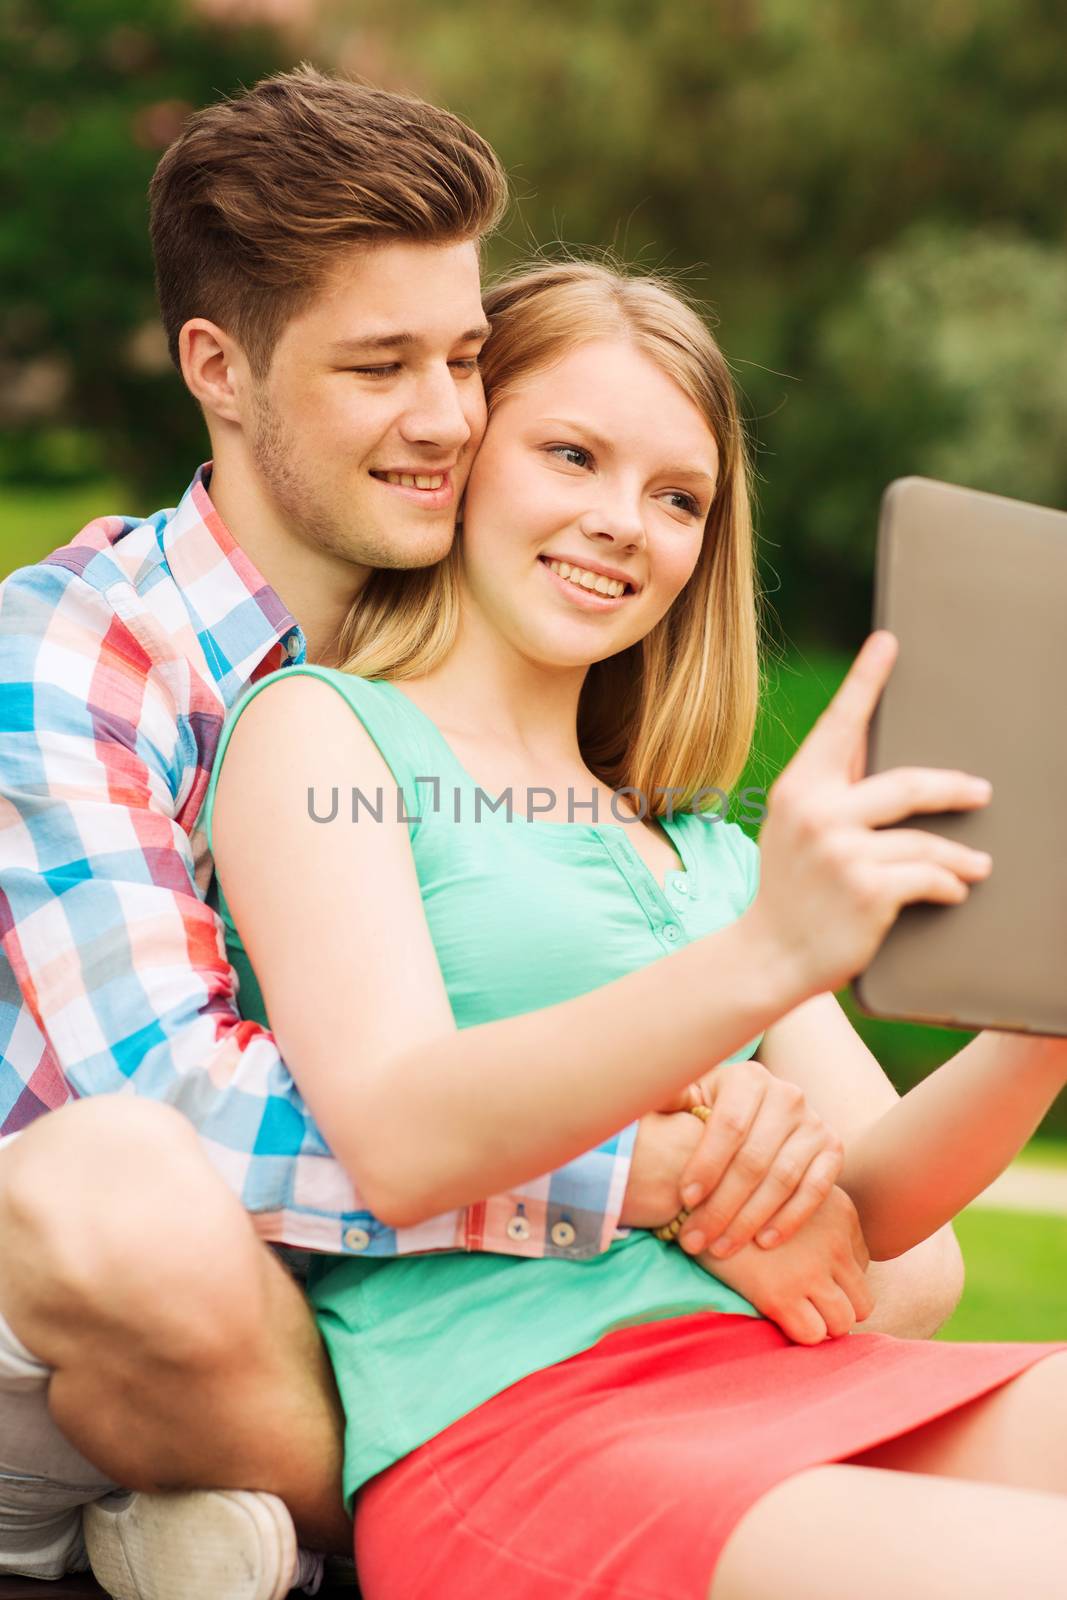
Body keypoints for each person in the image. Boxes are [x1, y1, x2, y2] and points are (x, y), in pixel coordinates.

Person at [0, 66, 959, 1599]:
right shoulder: (79, 650)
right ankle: (187, 1499)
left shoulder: (545, 757)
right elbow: (178, 1104)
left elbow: (877, 1218)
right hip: (171, 1282)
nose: (448, 418)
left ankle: (231, 1521)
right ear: (219, 368)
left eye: (465, 359)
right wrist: (666, 1175)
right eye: (382, 368)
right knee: (113, 1189)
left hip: (445, 1290)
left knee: (901, 1268)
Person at [204, 258, 1067, 1600]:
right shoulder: (323, 733)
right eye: (573, 455)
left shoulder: (706, 852)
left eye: (679, 498)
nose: (625, 524)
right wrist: (760, 964)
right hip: (528, 1429)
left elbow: (869, 1219)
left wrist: (1048, 1018)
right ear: (467, 457)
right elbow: (402, 1133)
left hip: (796, 1384)